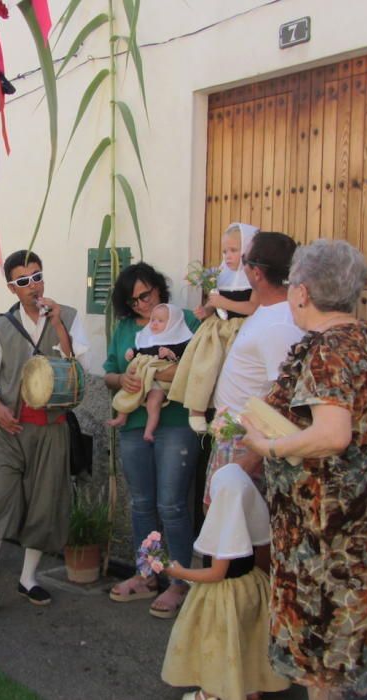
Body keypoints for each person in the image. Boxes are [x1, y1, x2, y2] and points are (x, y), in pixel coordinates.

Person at [239, 240, 367, 699]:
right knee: (346, 650)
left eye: (292, 285)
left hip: (330, 524)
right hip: (360, 512)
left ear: (303, 292)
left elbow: (333, 434)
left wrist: (269, 447)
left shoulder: (329, 349)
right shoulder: (362, 338)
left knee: (326, 656)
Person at [0, 249, 89, 624]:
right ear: (11, 288)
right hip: (8, 430)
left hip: (51, 429)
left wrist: (59, 324)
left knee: (44, 504)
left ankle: (28, 578)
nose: (33, 285)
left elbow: (79, 366)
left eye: (37, 276)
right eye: (23, 281)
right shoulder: (1, 325)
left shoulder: (68, 316)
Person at [105, 263, 201, 619]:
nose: (142, 305)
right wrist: (123, 380)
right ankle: (147, 575)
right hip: (134, 426)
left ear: (160, 289)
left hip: (176, 422)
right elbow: (109, 373)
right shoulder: (125, 330)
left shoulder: (187, 320)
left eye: (146, 295)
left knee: (172, 504)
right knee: (142, 503)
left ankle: (178, 581)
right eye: (133, 301)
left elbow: (204, 365)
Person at [161, 463, 289, 700]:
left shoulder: (226, 532)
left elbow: (216, 574)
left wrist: (179, 572)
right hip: (252, 588)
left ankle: (211, 692)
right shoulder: (247, 521)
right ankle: (251, 688)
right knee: (248, 640)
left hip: (224, 596)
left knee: (219, 643)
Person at [202, 231, 304, 506]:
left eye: (244, 259)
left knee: (234, 530)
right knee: (221, 522)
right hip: (236, 435)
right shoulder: (267, 309)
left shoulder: (280, 324)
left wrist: (254, 456)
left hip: (249, 441)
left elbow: (285, 396)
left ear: (256, 273)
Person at [170, 222, 260, 433]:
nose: (227, 256)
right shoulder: (222, 274)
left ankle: (229, 412)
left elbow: (252, 307)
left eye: (234, 251)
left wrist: (222, 304)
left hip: (241, 327)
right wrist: (207, 310)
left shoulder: (253, 279)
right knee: (203, 362)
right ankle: (197, 409)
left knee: (230, 371)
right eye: (225, 251)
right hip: (218, 328)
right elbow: (216, 302)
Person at [106, 303, 193, 441]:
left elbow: (181, 359)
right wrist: (132, 353)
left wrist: (169, 353)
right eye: (153, 320)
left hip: (157, 382)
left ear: (173, 323)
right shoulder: (148, 337)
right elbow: (141, 350)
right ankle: (122, 417)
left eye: (160, 321)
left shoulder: (178, 341)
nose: (154, 324)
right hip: (140, 378)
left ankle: (149, 430)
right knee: (128, 393)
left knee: (154, 402)